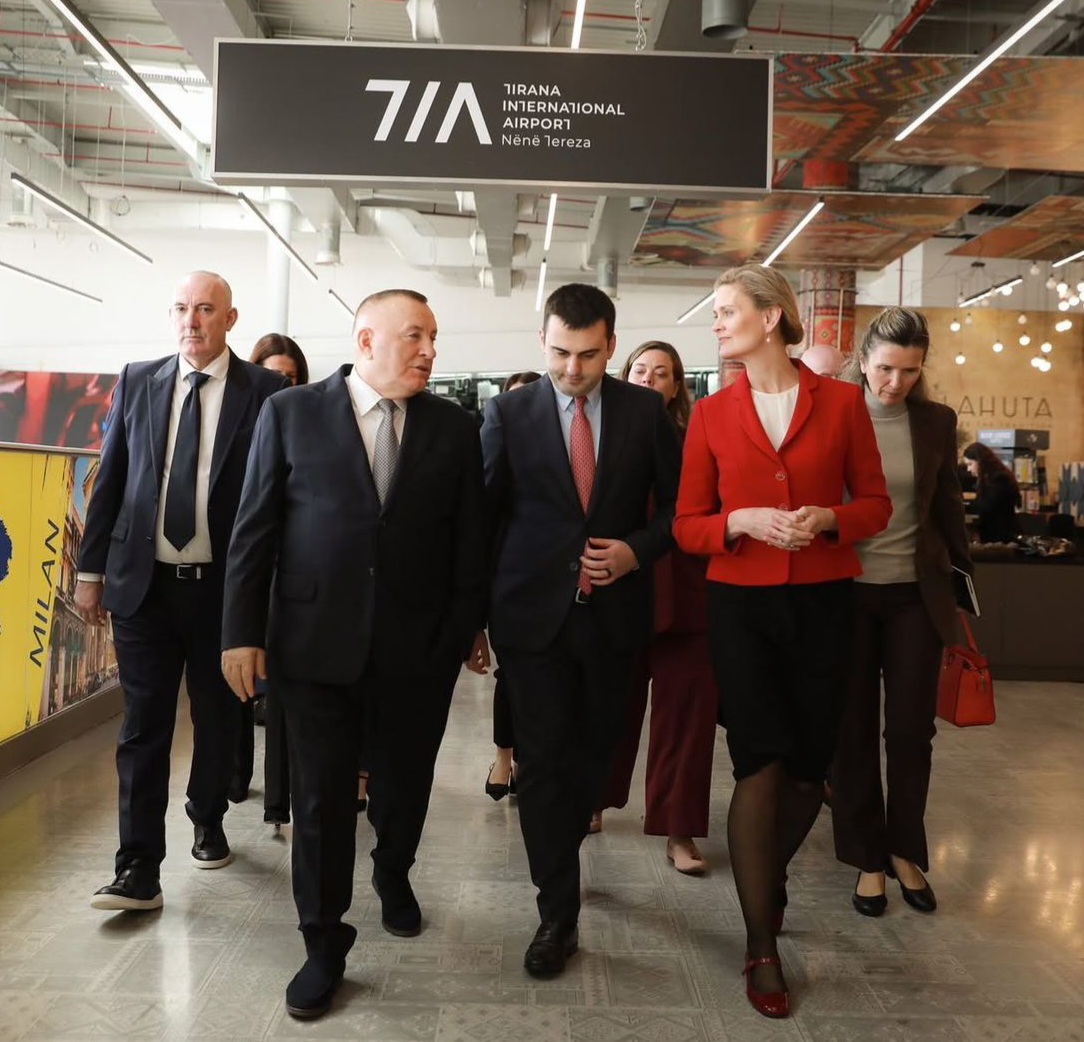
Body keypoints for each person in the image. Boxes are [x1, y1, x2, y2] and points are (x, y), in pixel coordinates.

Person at [221, 289, 488, 1021]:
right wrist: (241, 632)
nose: (430, 351)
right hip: (313, 644)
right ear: (366, 340)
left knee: (405, 782)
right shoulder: (291, 413)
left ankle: (393, 871)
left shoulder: (454, 428)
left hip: (418, 647)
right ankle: (322, 942)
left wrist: (463, 629)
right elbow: (254, 529)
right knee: (320, 798)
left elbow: (470, 540)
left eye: (433, 337)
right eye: (415, 337)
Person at [673, 264, 891, 1019]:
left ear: (771, 318)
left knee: (806, 768)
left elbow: (875, 505)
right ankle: (761, 942)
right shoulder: (710, 414)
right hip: (740, 607)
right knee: (759, 760)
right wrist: (738, 521)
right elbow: (687, 525)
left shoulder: (844, 403)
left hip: (826, 603)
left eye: (726, 310)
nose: (716, 323)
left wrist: (828, 519)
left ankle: (767, 874)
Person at [474, 283, 682, 979]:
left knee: (593, 759)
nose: (572, 368)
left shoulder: (644, 412)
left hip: (614, 620)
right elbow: (484, 519)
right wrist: (475, 621)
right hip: (531, 620)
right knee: (542, 766)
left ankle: (564, 851)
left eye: (588, 355)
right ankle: (556, 912)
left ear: (611, 347)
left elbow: (679, 509)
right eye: (561, 352)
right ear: (543, 341)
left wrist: (635, 552)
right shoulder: (508, 413)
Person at [73, 271, 288, 913]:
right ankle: (137, 866)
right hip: (145, 587)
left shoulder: (266, 392)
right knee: (144, 725)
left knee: (218, 717)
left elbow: (277, 497)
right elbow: (112, 477)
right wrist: (89, 573)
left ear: (230, 319)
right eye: (181, 308)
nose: (191, 320)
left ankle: (207, 813)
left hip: (223, 591)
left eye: (205, 309)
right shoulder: (139, 379)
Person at [831, 307, 973, 920]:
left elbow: (948, 507)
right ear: (863, 360)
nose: (896, 382)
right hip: (845, 592)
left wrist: (963, 588)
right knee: (853, 731)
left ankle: (906, 849)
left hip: (915, 592)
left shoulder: (936, 421)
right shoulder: (833, 414)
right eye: (886, 368)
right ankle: (868, 858)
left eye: (910, 371)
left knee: (912, 731)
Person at [592, 341, 717, 875]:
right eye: (639, 370)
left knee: (686, 718)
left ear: (675, 387)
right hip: (620, 591)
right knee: (608, 708)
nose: (648, 379)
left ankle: (678, 829)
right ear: (624, 376)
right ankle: (593, 802)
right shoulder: (599, 436)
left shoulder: (698, 440)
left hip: (688, 597)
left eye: (661, 373)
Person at [231, 334, 310, 828]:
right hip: (243, 570)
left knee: (279, 689)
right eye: (273, 376)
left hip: (291, 576)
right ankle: (235, 777)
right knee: (236, 684)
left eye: (291, 378)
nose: (282, 386)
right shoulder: (240, 425)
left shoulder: (308, 425)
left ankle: (279, 800)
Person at [485, 370, 543, 801]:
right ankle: (504, 756)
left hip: (554, 577)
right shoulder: (497, 441)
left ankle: (527, 759)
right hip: (507, 579)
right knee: (510, 675)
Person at [962, 441, 1021, 543]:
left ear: (980, 461)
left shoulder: (999, 479)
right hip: (997, 534)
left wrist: (962, 506)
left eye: (970, 464)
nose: (968, 469)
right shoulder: (994, 477)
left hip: (1000, 537)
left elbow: (985, 505)